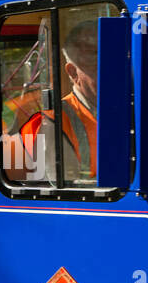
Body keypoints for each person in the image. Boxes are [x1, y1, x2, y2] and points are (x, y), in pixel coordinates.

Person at [16, 20, 98, 181]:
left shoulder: (134, 110)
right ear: (73, 72)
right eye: (95, 64)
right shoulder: (50, 123)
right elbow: (59, 195)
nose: (111, 73)